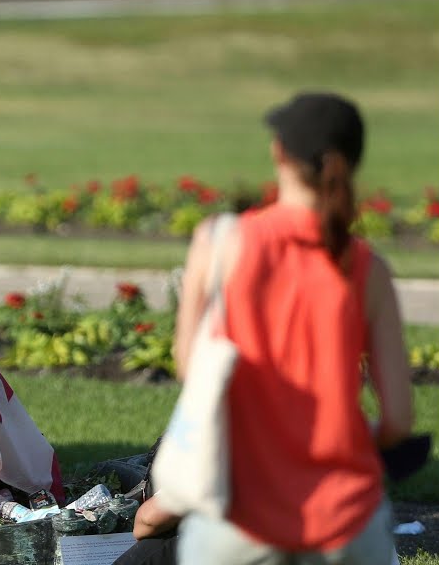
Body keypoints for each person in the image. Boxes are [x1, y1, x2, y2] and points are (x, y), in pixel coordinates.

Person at [172, 93, 413, 565]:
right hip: (345, 517)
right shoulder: (368, 269)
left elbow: (189, 367)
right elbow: (399, 420)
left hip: (241, 511)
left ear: (279, 153)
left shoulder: (219, 242)